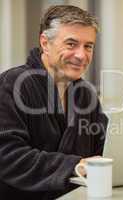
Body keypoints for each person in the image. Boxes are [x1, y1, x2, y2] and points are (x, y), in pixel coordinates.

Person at [0, 5, 108, 199]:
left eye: (88, 46)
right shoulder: (13, 85)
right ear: (45, 43)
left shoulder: (86, 95)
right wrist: (75, 165)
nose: (81, 55)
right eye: (71, 44)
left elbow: (104, 148)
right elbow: (7, 155)